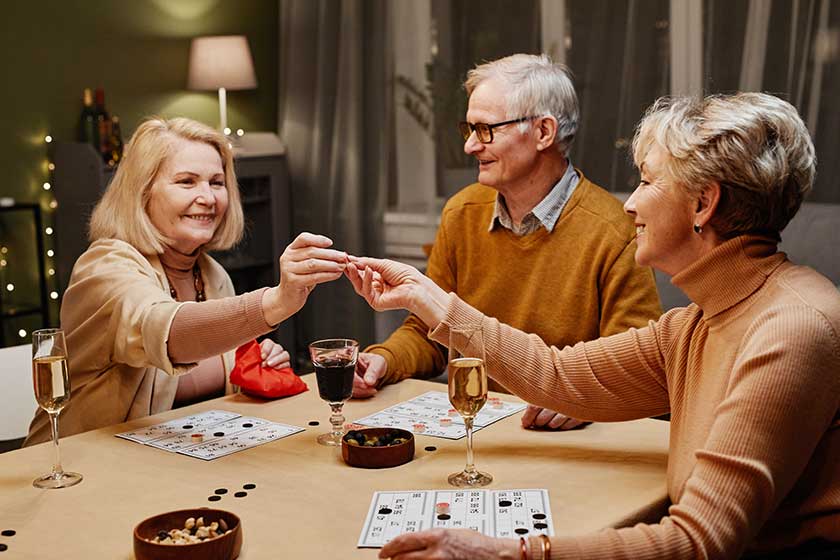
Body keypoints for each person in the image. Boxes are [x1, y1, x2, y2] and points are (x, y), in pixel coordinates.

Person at [347, 92, 840, 559]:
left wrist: (507, 551)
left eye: (648, 182)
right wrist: (427, 297)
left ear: (702, 204)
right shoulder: (698, 322)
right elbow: (558, 375)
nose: (630, 204)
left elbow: (698, 544)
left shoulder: (790, 329)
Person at [354, 54, 661, 431]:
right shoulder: (461, 212)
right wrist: (383, 360)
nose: (469, 146)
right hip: (475, 431)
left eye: (485, 130)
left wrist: (587, 400)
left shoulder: (613, 230)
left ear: (544, 133)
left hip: (565, 445)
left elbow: (636, 368)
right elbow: (429, 333)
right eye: (468, 129)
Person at [25, 117, 347, 445]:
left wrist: (253, 365)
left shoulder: (211, 274)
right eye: (187, 182)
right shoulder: (105, 267)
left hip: (172, 458)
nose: (208, 197)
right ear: (143, 192)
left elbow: (208, 382)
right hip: (79, 464)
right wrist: (277, 302)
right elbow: (167, 332)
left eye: (216, 182)